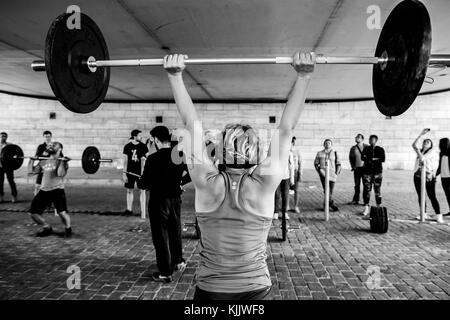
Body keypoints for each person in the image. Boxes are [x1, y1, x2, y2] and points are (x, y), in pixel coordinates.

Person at [162, 51, 315, 300]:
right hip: (255, 290)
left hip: (210, 291)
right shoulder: (264, 183)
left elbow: (191, 124)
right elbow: (287, 129)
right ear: (256, 152)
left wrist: (175, 76)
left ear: (221, 151)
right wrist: (304, 75)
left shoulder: (206, 182)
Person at [140, 125, 190, 283]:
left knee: (160, 237)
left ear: (155, 140)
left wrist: (142, 181)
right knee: (175, 231)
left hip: (158, 201)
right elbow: (190, 174)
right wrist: (180, 183)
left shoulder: (152, 158)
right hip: (175, 199)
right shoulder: (178, 154)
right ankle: (178, 261)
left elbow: (144, 183)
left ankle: (165, 272)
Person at [27, 142, 71, 237]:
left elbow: (60, 173)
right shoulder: (43, 160)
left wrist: (63, 162)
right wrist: (31, 161)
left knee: (62, 213)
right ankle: (47, 227)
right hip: (44, 190)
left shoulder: (61, 161)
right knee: (33, 213)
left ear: (60, 149)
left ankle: (68, 229)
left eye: (54, 145)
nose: (51, 146)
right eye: (51, 145)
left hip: (57, 190)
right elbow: (31, 172)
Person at [412, 129, 442, 223]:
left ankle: (438, 215)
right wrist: (421, 134)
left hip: (428, 176)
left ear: (431, 145)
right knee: (421, 195)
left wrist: (432, 174)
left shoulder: (432, 151)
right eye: (425, 141)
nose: (426, 142)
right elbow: (413, 145)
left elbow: (423, 158)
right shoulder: (420, 151)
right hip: (417, 176)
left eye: (428, 142)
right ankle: (423, 213)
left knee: (431, 195)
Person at [122, 129, 148, 216]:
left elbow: (148, 157)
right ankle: (129, 210)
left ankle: (142, 211)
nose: (141, 137)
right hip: (129, 172)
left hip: (140, 172)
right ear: (134, 136)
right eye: (139, 135)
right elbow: (125, 161)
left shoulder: (143, 146)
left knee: (142, 191)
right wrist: (124, 173)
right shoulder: (127, 147)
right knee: (129, 191)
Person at [361, 135, 385, 216]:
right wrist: (374, 159)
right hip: (367, 172)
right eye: (370, 139)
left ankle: (378, 206)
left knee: (377, 190)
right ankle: (366, 206)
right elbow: (363, 158)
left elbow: (383, 159)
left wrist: (370, 159)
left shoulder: (380, 149)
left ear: (376, 140)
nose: (370, 141)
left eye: (372, 139)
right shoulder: (366, 148)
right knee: (366, 190)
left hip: (377, 172)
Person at [314, 139, 341, 212]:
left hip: (332, 173)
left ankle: (327, 204)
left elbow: (338, 164)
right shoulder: (319, 153)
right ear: (324, 144)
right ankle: (330, 204)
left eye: (329, 143)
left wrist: (337, 173)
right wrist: (319, 171)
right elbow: (316, 163)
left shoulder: (335, 153)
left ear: (331, 145)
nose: (327, 144)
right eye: (326, 143)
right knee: (326, 189)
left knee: (330, 190)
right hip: (323, 173)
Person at [348, 134, 368, 205]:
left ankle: (366, 202)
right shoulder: (353, 148)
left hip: (365, 169)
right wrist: (353, 166)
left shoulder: (367, 147)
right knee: (357, 185)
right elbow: (350, 158)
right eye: (356, 137)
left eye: (358, 137)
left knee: (366, 185)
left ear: (362, 139)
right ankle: (356, 200)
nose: (356, 138)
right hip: (357, 169)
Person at [273, 151, 293, 220]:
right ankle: (276, 212)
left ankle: (285, 212)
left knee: (285, 195)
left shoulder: (289, 153)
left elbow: (291, 166)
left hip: (286, 177)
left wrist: (292, 177)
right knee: (276, 195)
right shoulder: (275, 151)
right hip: (276, 177)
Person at [0, 132, 18, 203]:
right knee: (0, 182)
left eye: (4, 136)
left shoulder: (10, 145)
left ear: (6, 137)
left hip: (8, 166)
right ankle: (1, 196)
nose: (3, 137)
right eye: (1, 136)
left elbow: (16, 153)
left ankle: (14, 196)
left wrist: (15, 156)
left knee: (11, 181)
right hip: (0, 166)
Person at [34, 131, 53, 196]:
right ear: (43, 137)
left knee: (50, 186)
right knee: (38, 186)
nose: (47, 138)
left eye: (49, 136)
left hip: (52, 168)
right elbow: (37, 156)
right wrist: (43, 154)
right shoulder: (41, 146)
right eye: (46, 136)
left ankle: (50, 203)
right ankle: (36, 202)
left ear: (51, 137)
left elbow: (60, 156)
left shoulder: (55, 146)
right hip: (42, 167)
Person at [436, 137, 450, 217]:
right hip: (444, 177)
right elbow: (440, 165)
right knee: (448, 195)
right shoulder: (441, 153)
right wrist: (435, 174)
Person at [290, 136, 303, 214]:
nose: (293, 143)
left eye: (294, 141)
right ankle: (287, 206)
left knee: (296, 190)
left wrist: (300, 173)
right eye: (292, 141)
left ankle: (296, 206)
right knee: (286, 190)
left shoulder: (297, 151)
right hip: (286, 172)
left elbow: (300, 162)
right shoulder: (285, 150)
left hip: (295, 171)